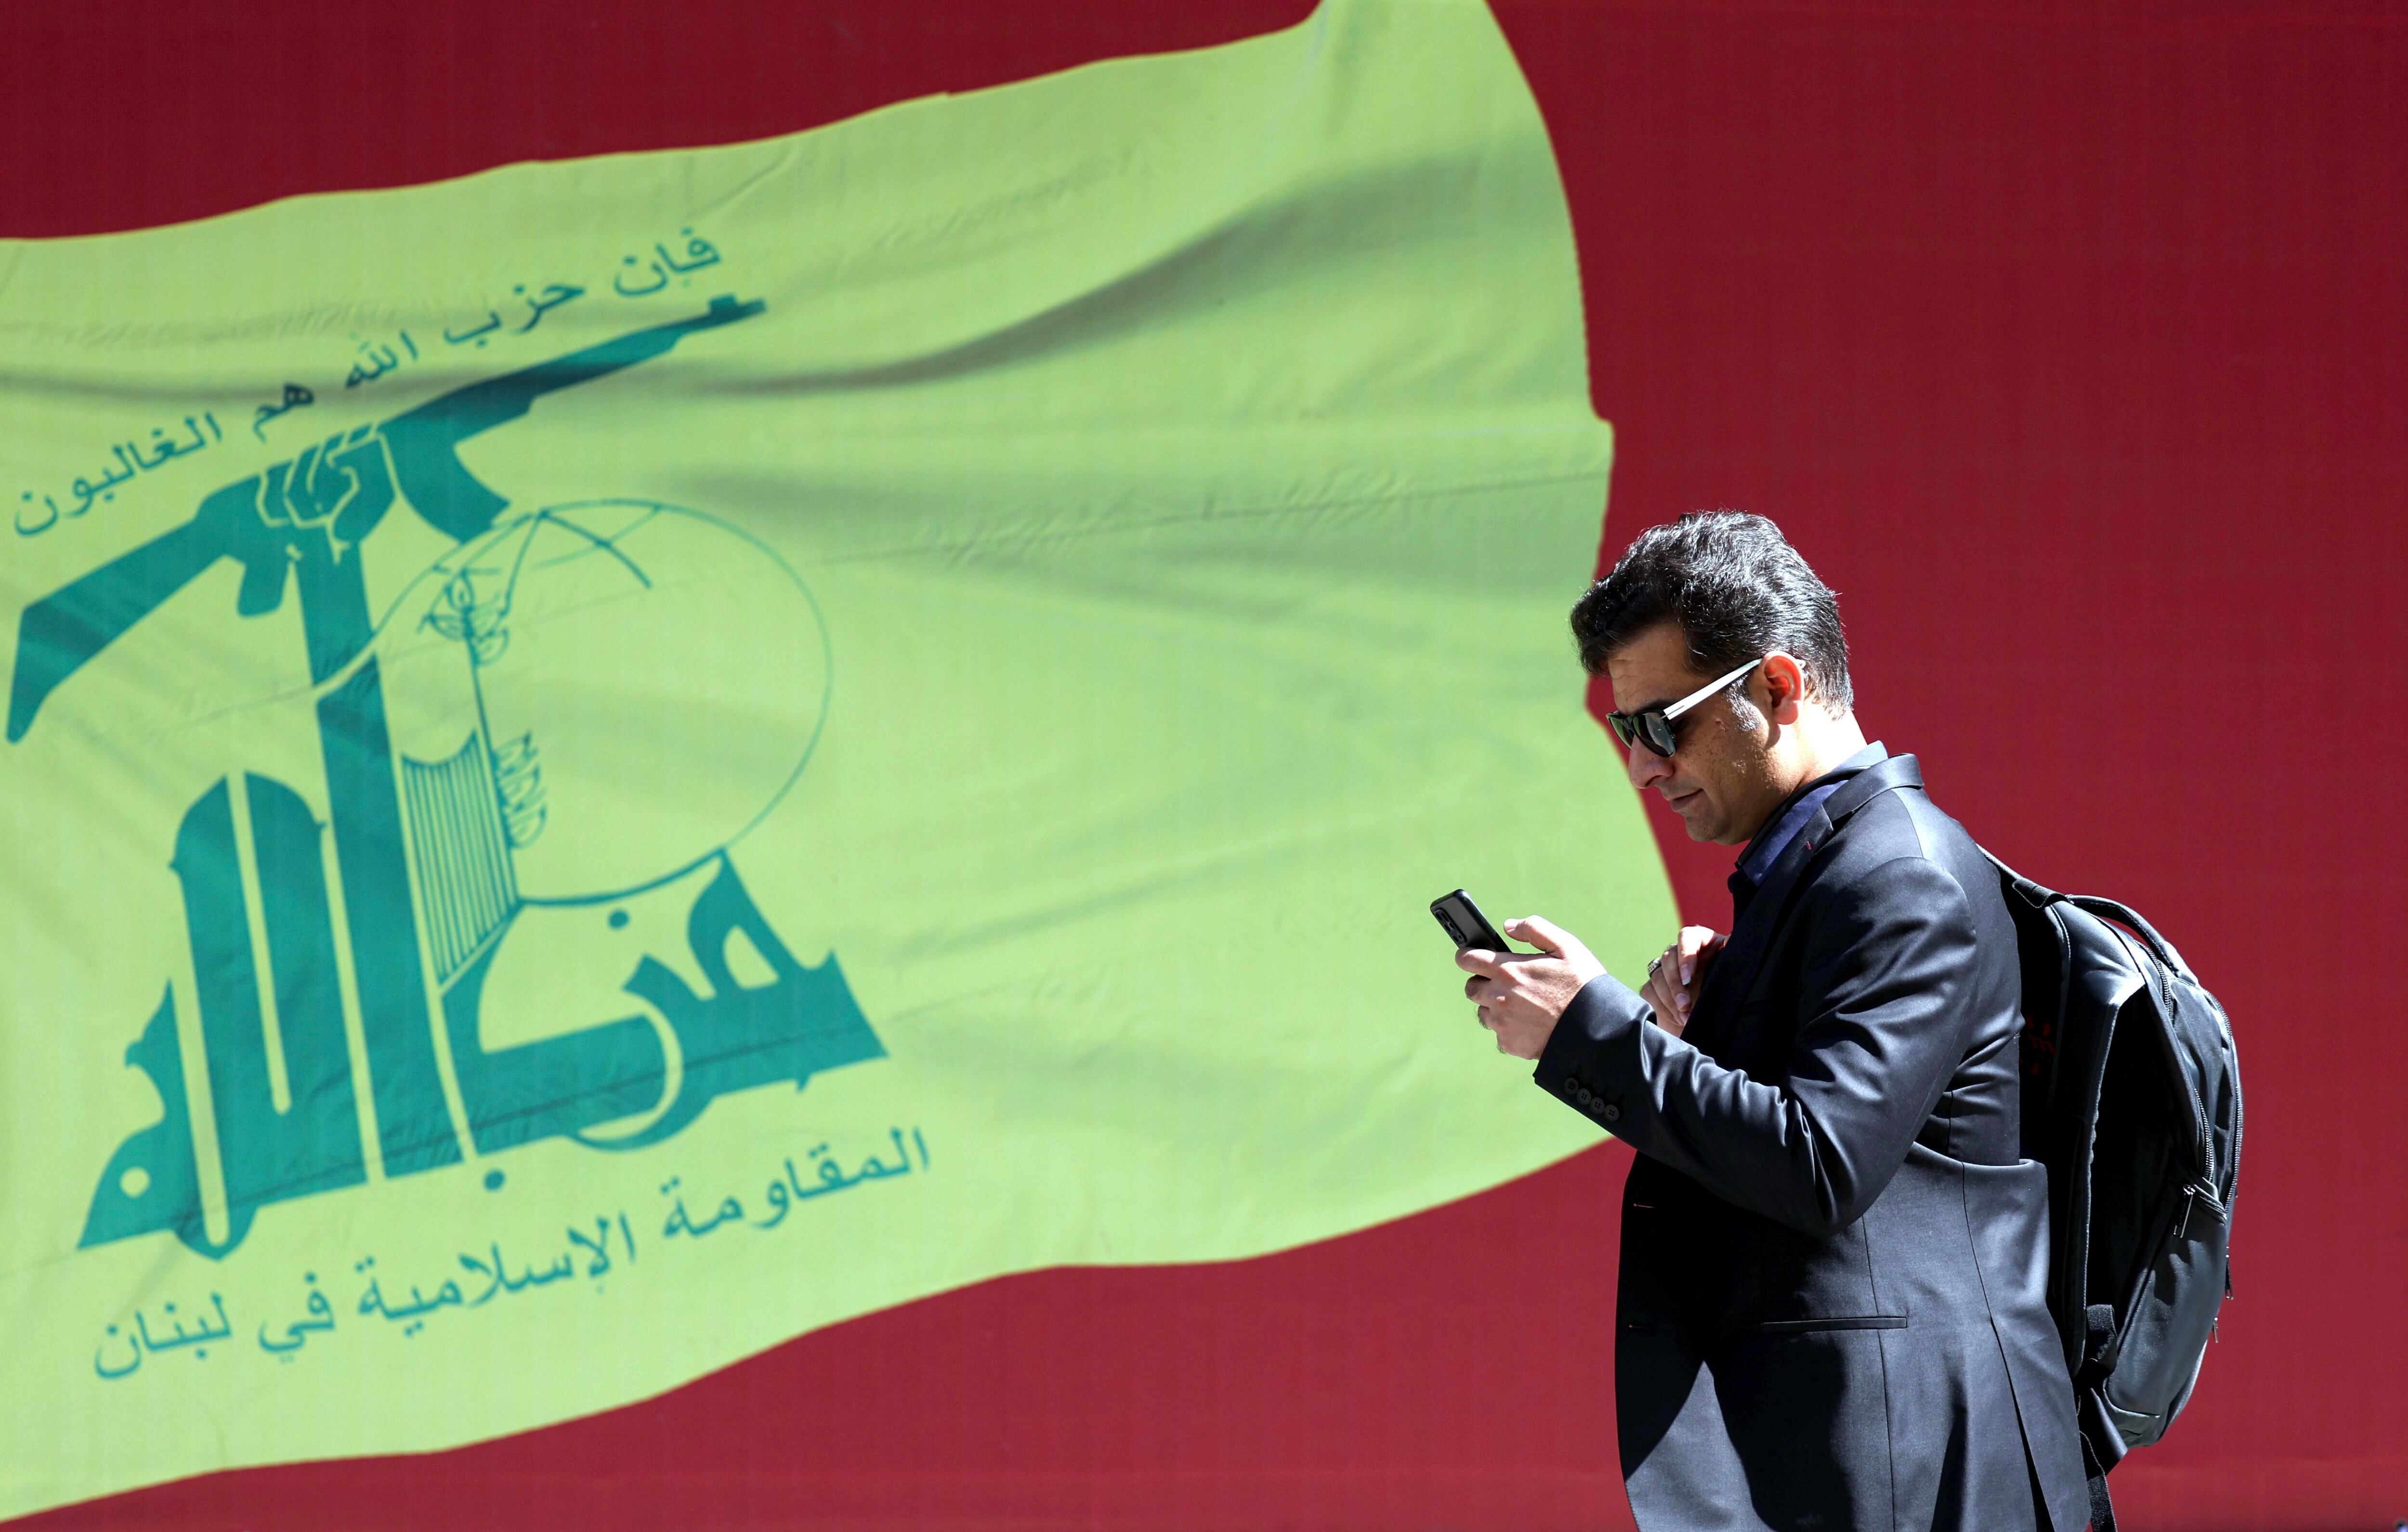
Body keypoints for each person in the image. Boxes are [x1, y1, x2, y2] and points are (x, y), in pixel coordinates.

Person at [1457, 511, 2090, 1532]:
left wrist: (1594, 1030)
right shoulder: (1825, 870)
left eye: (1662, 725)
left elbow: (1821, 1164)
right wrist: (1698, 1038)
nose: (1642, 766)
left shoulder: (1899, 875)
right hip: (1859, 1457)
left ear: (1777, 687)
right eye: (1625, 731)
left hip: (1920, 1471)